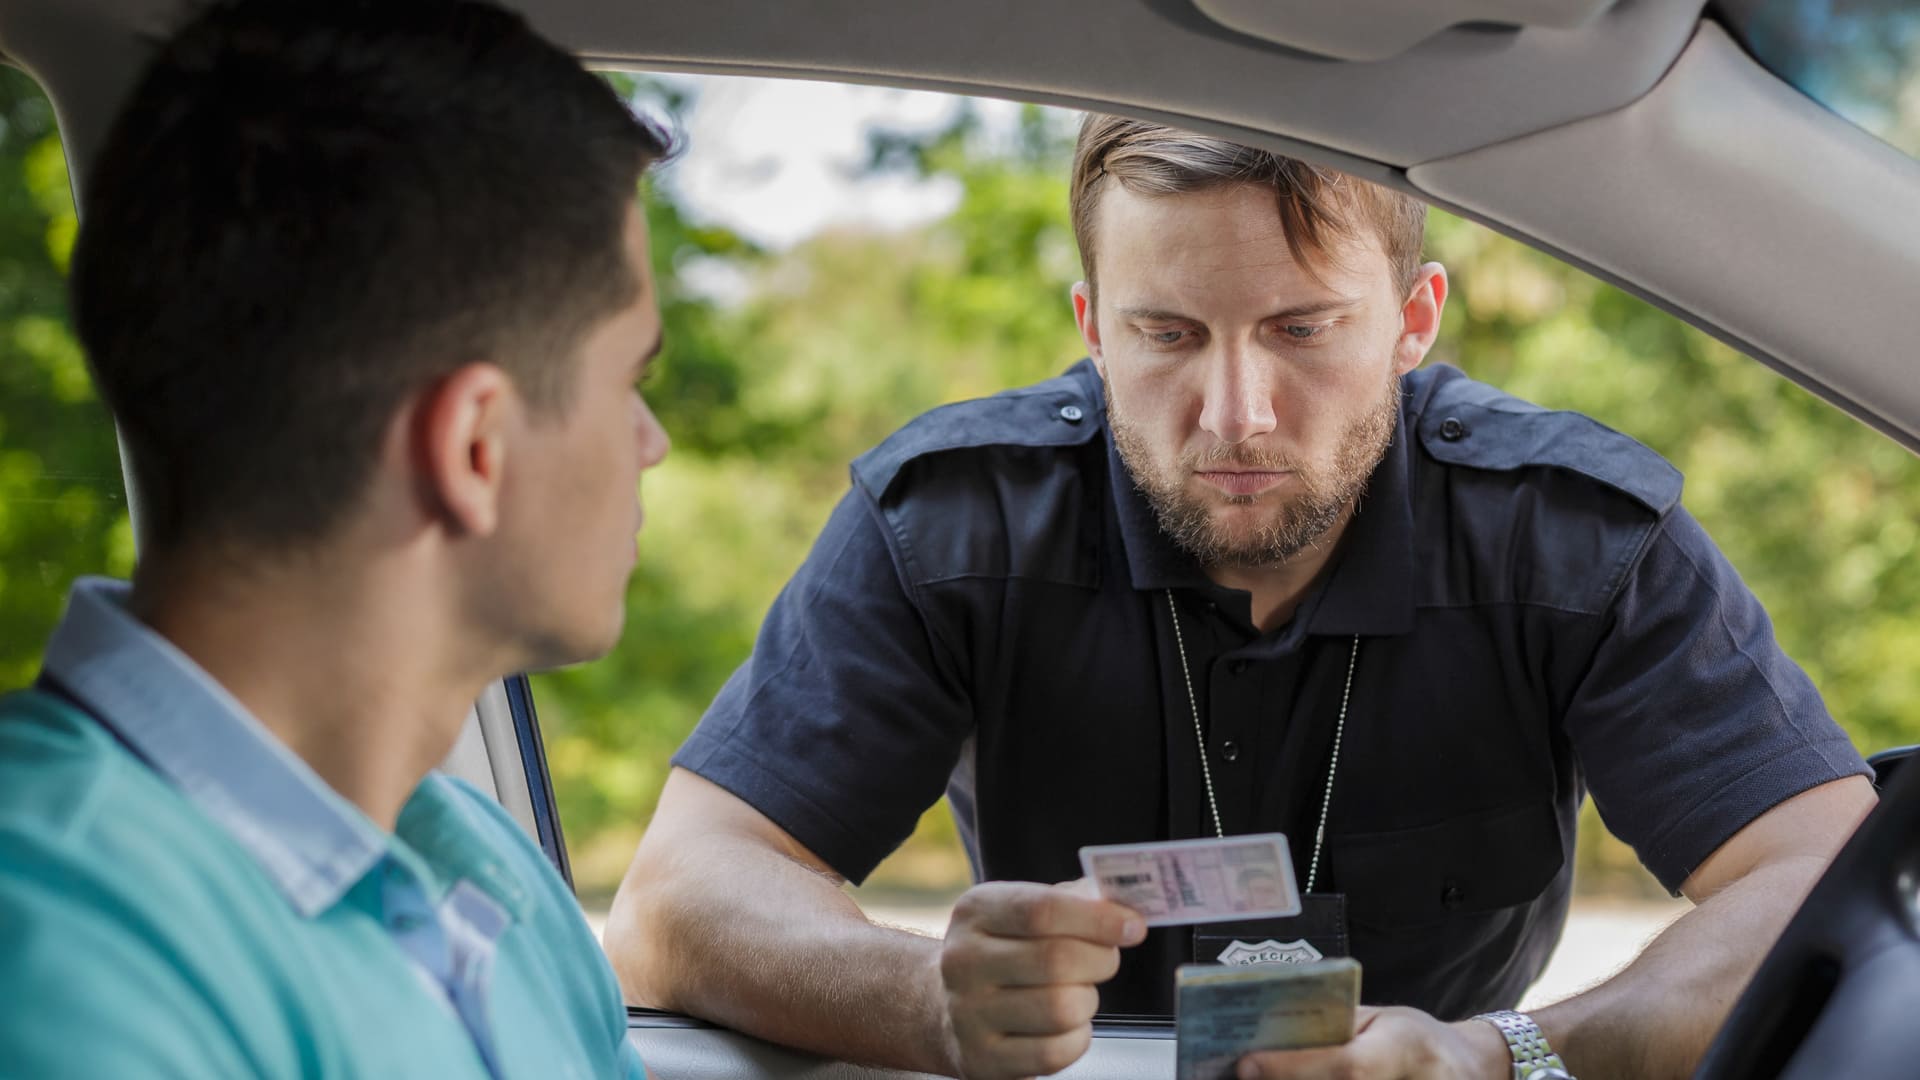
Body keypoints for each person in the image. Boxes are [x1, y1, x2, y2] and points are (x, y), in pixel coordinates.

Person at [607, 115, 1879, 1079]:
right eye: (1166, 335)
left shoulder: (1566, 536)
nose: (1235, 415)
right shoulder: (952, 521)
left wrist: (1501, 1056)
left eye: (1302, 329)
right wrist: (928, 1001)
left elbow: (1832, 882)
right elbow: (680, 897)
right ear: (1094, 328)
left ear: (1414, 319)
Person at [0, 2, 671, 1076]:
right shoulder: (55, 955)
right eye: (631, 380)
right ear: (474, 447)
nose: (654, 442)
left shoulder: (490, 868)